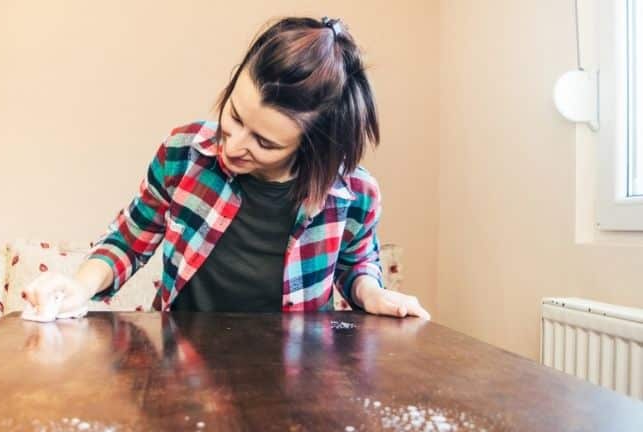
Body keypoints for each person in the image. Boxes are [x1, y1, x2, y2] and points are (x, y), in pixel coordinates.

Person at [24, 16, 430, 320]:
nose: (233, 146)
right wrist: (79, 286)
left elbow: (356, 265)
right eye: (234, 116)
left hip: (298, 380)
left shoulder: (355, 194)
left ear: (313, 146)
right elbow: (129, 239)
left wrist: (371, 292)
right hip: (180, 374)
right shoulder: (182, 154)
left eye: (265, 142)